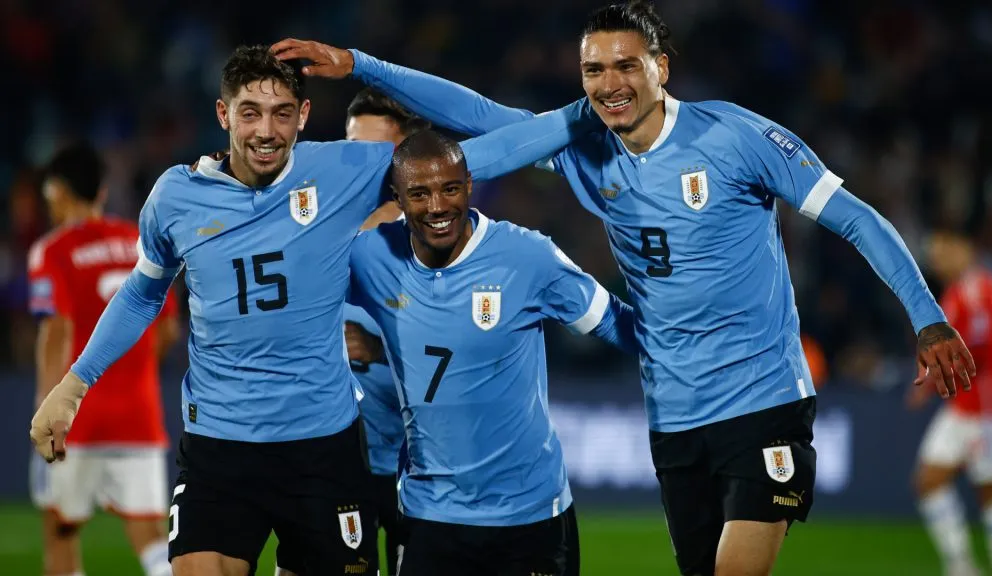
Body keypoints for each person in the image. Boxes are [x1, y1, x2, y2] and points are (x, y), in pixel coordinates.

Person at [272, 2, 976, 573]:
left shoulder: (734, 137)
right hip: (672, 416)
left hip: (762, 397)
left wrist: (927, 317)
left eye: (625, 65)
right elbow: (485, 119)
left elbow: (856, 219)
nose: (609, 82)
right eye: (593, 69)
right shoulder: (588, 152)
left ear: (660, 68)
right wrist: (361, 66)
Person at [29, 45, 600, 576]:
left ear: (303, 116)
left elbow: (472, 156)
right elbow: (141, 292)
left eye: (281, 114)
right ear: (224, 116)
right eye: (250, 113)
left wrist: (580, 115)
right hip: (221, 450)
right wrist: (74, 384)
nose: (266, 131)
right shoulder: (175, 197)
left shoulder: (342, 171)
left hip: (321, 450)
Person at [347, 129, 635, 576]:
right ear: (397, 199)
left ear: (469, 185)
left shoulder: (527, 256)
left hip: (530, 514)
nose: (438, 206)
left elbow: (620, 326)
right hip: (430, 513)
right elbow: (297, 298)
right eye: (419, 194)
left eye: (450, 189)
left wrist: (708, 340)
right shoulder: (371, 256)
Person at [275, 88, 425, 576]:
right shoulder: (318, 227)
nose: (360, 164)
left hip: (418, 459)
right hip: (337, 453)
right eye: (351, 147)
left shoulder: (436, 242)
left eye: (375, 152)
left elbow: (467, 348)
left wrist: (378, 349)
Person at [27, 142, 181, 576]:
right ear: (101, 189)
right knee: (151, 537)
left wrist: (47, 403)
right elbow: (168, 328)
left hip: (76, 418)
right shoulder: (137, 242)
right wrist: (130, 370)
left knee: (61, 531)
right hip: (139, 415)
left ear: (57, 191)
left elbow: (55, 330)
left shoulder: (52, 251)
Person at [908, 227, 992, 576]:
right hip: (963, 406)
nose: (938, 262)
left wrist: (935, 371)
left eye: (944, 253)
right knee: (928, 480)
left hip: (988, 407)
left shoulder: (979, 289)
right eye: (935, 257)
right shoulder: (957, 292)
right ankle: (961, 565)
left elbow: (980, 347)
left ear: (965, 249)